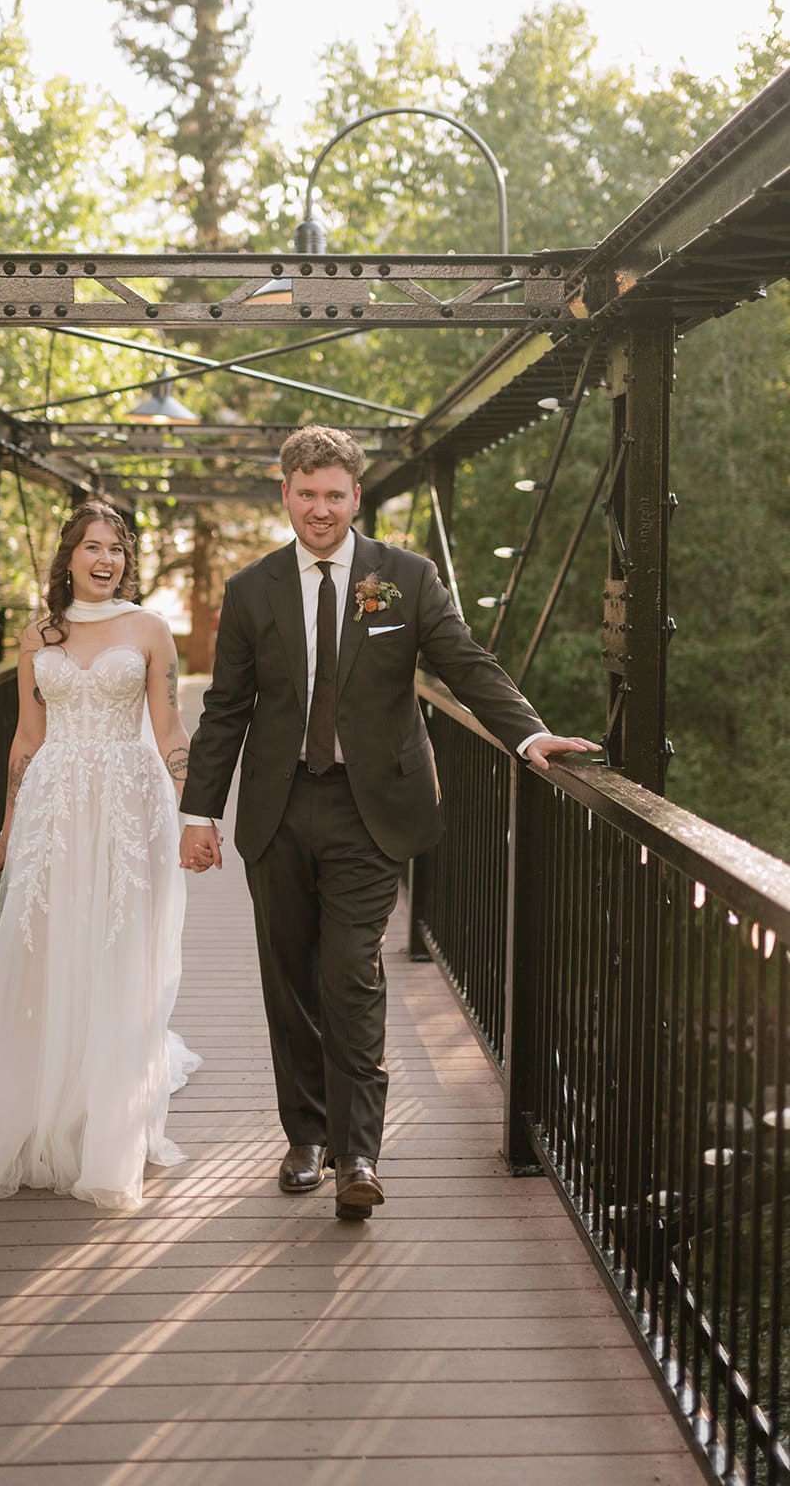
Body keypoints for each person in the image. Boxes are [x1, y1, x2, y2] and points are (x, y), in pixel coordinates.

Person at [179, 425, 598, 1222]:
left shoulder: (403, 577)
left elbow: (465, 662)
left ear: (355, 497)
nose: (320, 509)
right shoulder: (251, 590)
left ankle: (359, 1151)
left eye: (334, 495)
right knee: (288, 977)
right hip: (277, 805)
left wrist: (529, 733)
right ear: (285, 495)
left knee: (350, 970)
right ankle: (306, 1136)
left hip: (372, 808)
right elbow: (225, 710)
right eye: (306, 495)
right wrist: (199, 812)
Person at [0, 502, 201, 1211]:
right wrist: (6, 824)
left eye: (116, 548)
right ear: (68, 557)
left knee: (117, 947)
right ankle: (34, 1099)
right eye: (92, 546)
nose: (104, 559)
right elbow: (27, 738)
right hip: (53, 807)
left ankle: (104, 1117)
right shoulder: (39, 633)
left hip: (127, 806)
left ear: (127, 559)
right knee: (46, 947)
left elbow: (170, 724)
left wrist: (189, 812)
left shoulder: (150, 629)